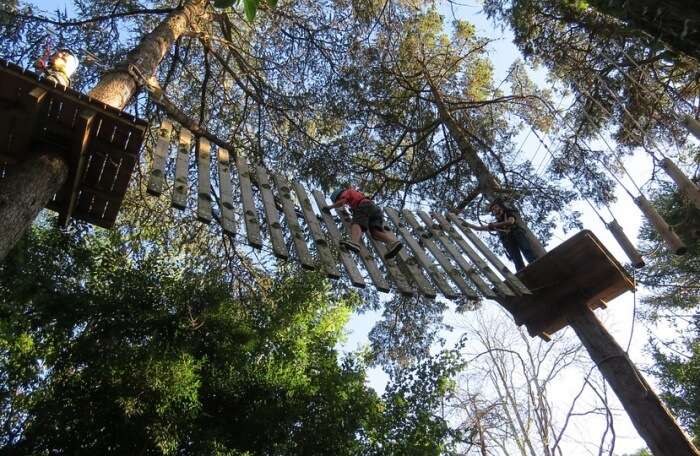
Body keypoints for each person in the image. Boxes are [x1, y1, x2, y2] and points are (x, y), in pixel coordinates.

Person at [322, 186, 404, 259]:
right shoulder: (356, 195)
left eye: (337, 200)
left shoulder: (347, 192)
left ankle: (355, 243)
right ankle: (393, 243)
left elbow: (342, 201)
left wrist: (330, 207)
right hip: (375, 209)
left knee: (356, 223)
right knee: (375, 233)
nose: (344, 204)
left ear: (339, 196)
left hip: (365, 205)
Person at [463, 199, 537, 271]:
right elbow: (479, 228)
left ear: (500, 207)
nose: (494, 210)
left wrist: (495, 225)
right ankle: (523, 272)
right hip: (508, 240)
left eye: (495, 207)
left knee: (527, 250)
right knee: (516, 259)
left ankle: (535, 264)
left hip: (516, 233)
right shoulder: (495, 224)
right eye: (493, 209)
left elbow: (510, 221)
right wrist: (468, 225)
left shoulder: (508, 213)